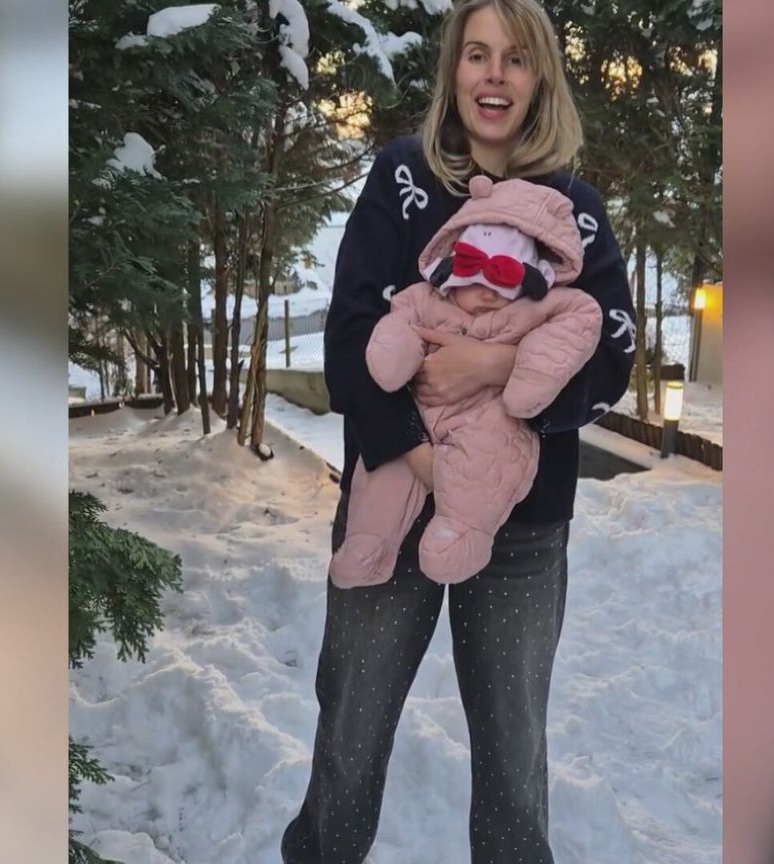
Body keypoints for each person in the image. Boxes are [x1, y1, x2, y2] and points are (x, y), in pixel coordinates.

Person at [280, 0, 634, 859]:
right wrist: (420, 456)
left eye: (515, 58)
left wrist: (498, 367)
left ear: (540, 76)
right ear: (454, 70)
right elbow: (353, 336)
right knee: (351, 729)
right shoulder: (401, 177)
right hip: (392, 498)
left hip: (522, 523)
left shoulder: (576, 209)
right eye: (477, 55)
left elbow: (611, 355)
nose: (494, 76)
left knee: (513, 755)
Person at [328, 176, 602, 588]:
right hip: (410, 419)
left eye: (504, 279)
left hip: (489, 418)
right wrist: (395, 356)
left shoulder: (542, 304)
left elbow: (581, 323)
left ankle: (461, 534)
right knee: (384, 476)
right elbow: (390, 324)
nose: (488, 294)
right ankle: (368, 544)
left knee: (487, 459)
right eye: (476, 278)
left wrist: (521, 372)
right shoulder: (426, 295)